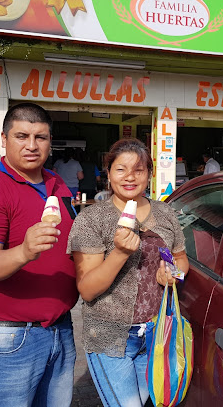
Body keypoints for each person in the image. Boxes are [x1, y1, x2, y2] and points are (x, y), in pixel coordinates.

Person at [0, 102, 79, 406]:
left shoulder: (57, 183)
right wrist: (25, 251)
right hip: (11, 339)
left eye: (40, 137)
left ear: (50, 143)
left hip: (60, 330)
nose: (31, 145)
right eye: (21, 136)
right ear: (3, 139)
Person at [67, 138, 189, 407]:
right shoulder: (91, 219)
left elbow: (180, 258)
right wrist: (120, 253)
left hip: (157, 333)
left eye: (139, 169)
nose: (130, 177)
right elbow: (87, 289)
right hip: (109, 335)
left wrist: (173, 275)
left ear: (149, 174)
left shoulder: (165, 213)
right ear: (108, 174)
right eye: (121, 169)